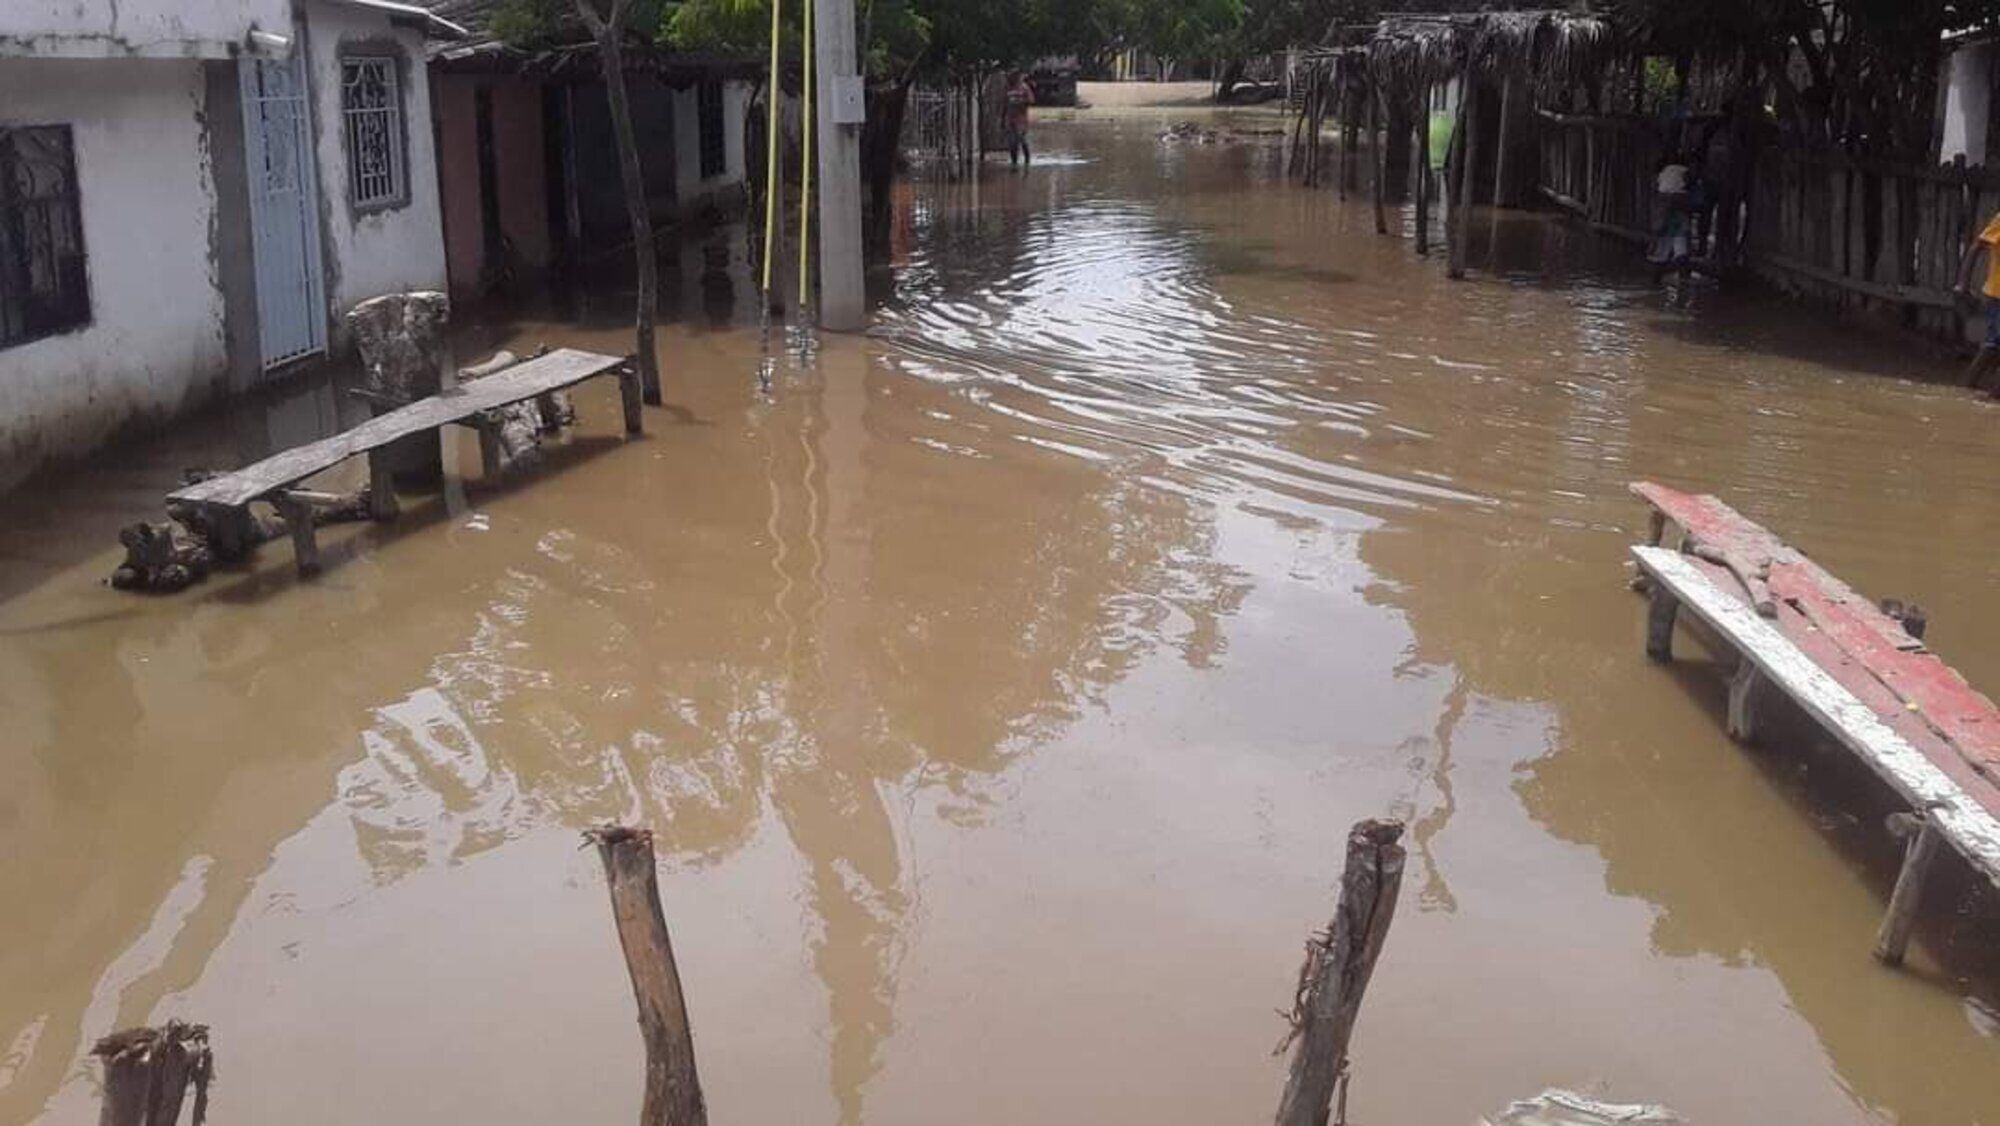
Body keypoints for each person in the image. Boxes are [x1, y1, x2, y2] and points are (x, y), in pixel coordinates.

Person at [1955, 209, 2000, 391]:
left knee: (1994, 343)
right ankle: (1968, 387)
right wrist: (1962, 283)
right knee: (1994, 342)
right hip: (1998, 293)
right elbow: (1977, 246)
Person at [1004, 72, 1036, 167]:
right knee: (1012, 142)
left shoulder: (1024, 88)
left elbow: (1031, 100)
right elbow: (1004, 103)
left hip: (1021, 119)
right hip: (1010, 118)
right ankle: (1014, 163)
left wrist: (1020, 101)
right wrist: (1002, 118)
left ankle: (1027, 161)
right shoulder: (1007, 88)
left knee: (1022, 139)